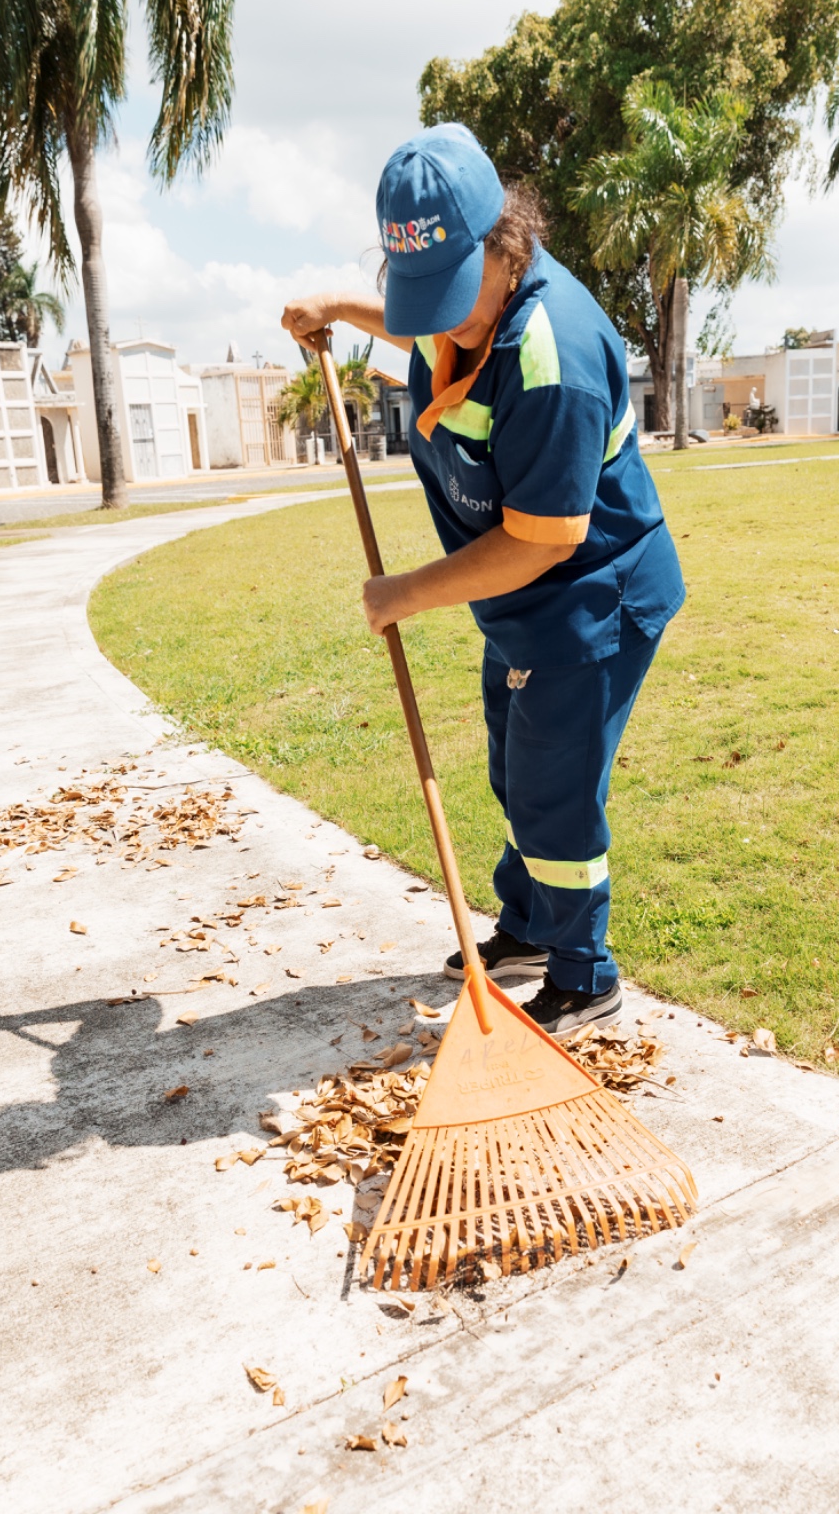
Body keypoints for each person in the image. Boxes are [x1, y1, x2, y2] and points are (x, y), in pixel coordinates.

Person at [281, 124, 684, 1038]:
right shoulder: (466, 312)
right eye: (421, 296)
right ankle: (533, 930)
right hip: (519, 607)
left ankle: (585, 975)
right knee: (515, 772)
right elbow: (428, 333)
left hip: (589, 600)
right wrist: (343, 307)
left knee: (553, 785)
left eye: (456, 295)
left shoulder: (552, 356)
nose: (443, 319)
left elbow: (541, 540)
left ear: (505, 245)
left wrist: (405, 593)